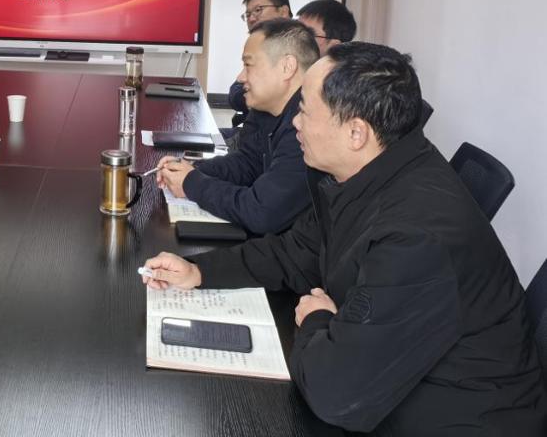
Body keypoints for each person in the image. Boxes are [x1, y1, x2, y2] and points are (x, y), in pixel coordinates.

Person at [144, 43, 547, 435]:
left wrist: (317, 319)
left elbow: (335, 395)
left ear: (356, 132)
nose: (295, 123)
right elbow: (296, 251)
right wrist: (199, 271)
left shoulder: (416, 236)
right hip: (394, 387)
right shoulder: (364, 173)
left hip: (452, 417)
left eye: (305, 110)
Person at [157, 18, 318, 234]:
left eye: (248, 65)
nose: (240, 77)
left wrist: (192, 183)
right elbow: (247, 163)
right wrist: (191, 170)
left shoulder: (309, 126)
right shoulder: (267, 107)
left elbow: (262, 212)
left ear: (287, 67)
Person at [225, 0, 292, 146]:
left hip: (265, 140)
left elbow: (238, 96)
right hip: (251, 131)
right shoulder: (259, 44)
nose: (252, 18)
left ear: (283, 11)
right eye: (248, 14)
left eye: (258, 10)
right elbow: (235, 95)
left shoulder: (294, 47)